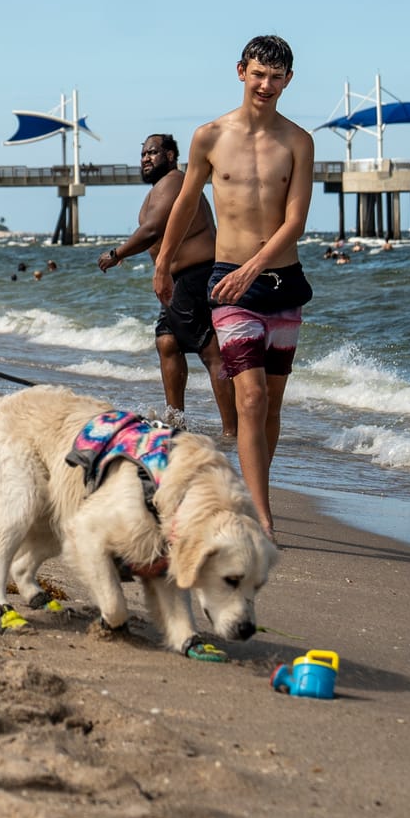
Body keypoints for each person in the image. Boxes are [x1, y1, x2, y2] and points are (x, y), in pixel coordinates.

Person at [153, 36, 313, 542]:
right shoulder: (210, 136)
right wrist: (163, 263)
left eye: (277, 77)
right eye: (258, 74)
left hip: (283, 282)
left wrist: (257, 267)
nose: (266, 85)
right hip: (230, 283)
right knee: (250, 399)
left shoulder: (298, 142)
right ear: (241, 71)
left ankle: (252, 489)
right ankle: (261, 516)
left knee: (271, 404)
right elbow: (183, 204)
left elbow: (296, 222)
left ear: (288, 80)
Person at [97, 133, 234, 437]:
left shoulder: (174, 180)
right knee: (167, 342)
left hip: (196, 274)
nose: (146, 158)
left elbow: (153, 229)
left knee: (210, 351)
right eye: (143, 154)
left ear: (171, 156)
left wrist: (116, 254)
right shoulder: (161, 187)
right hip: (179, 281)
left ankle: (232, 431)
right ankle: (176, 423)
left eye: (153, 153)